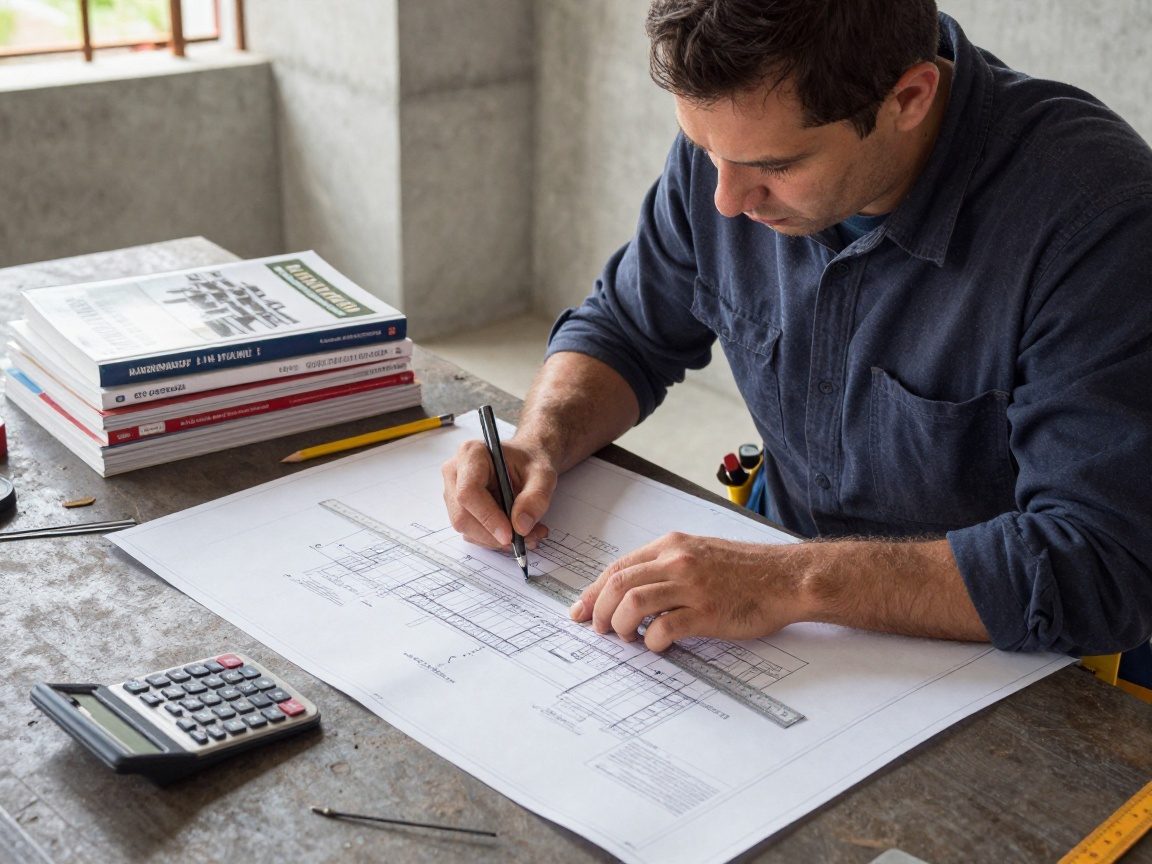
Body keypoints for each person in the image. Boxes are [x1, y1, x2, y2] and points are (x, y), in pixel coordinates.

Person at [442, 0, 1152, 663]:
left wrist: (790, 580)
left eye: (775, 167)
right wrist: (541, 440)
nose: (725, 199)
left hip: (1013, 661)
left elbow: (1100, 563)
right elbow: (628, 328)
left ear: (908, 99)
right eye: (704, 150)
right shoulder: (737, 141)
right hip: (788, 615)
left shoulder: (1097, 224)